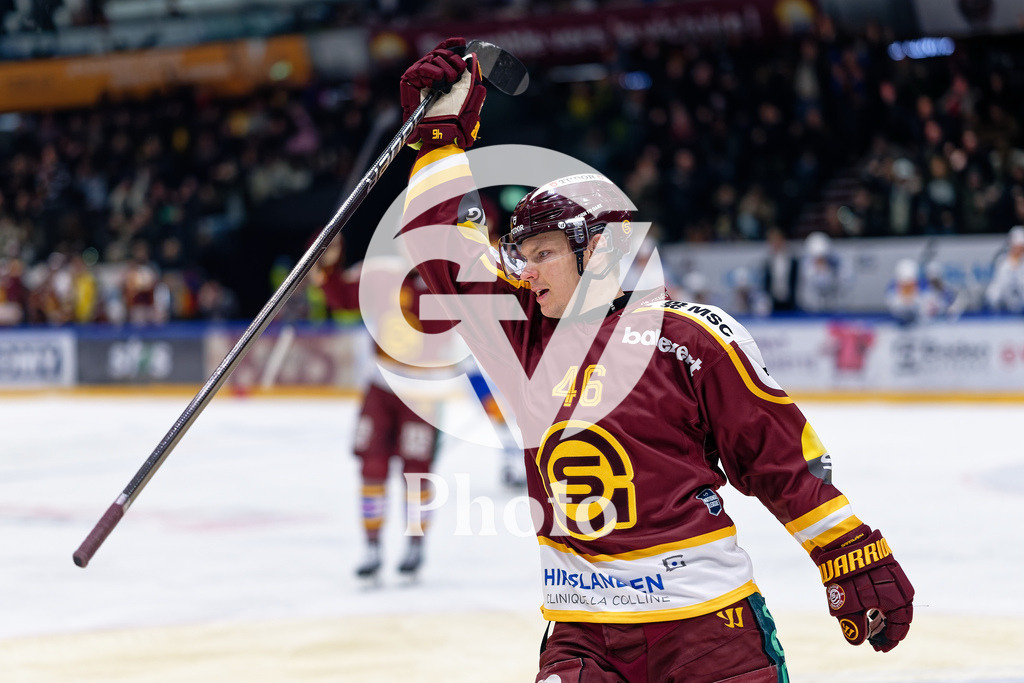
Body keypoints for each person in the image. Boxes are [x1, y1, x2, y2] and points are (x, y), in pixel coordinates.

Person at [395, 39, 914, 681]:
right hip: (581, 637)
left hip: (707, 633)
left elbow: (777, 461)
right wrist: (441, 143)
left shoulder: (692, 340)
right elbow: (446, 257)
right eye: (520, 254)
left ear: (602, 255)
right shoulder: (520, 339)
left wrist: (847, 548)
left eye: (544, 252)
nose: (525, 271)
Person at [985, 225, 1024, 313]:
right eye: (1017, 246)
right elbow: (996, 286)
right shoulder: (1002, 262)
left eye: (1021, 246)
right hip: (1004, 309)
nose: (1019, 249)